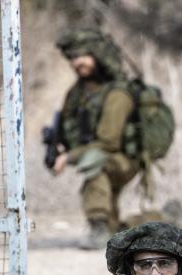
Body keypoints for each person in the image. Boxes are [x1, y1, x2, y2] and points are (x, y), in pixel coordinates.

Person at [50, 29, 140, 249]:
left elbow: (108, 142)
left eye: (82, 56)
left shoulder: (117, 93)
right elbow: (68, 126)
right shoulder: (78, 93)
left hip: (123, 159)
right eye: (72, 58)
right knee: (118, 231)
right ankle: (170, 219)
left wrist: (69, 157)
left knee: (94, 164)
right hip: (101, 155)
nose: (76, 62)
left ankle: (97, 228)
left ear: (98, 56)